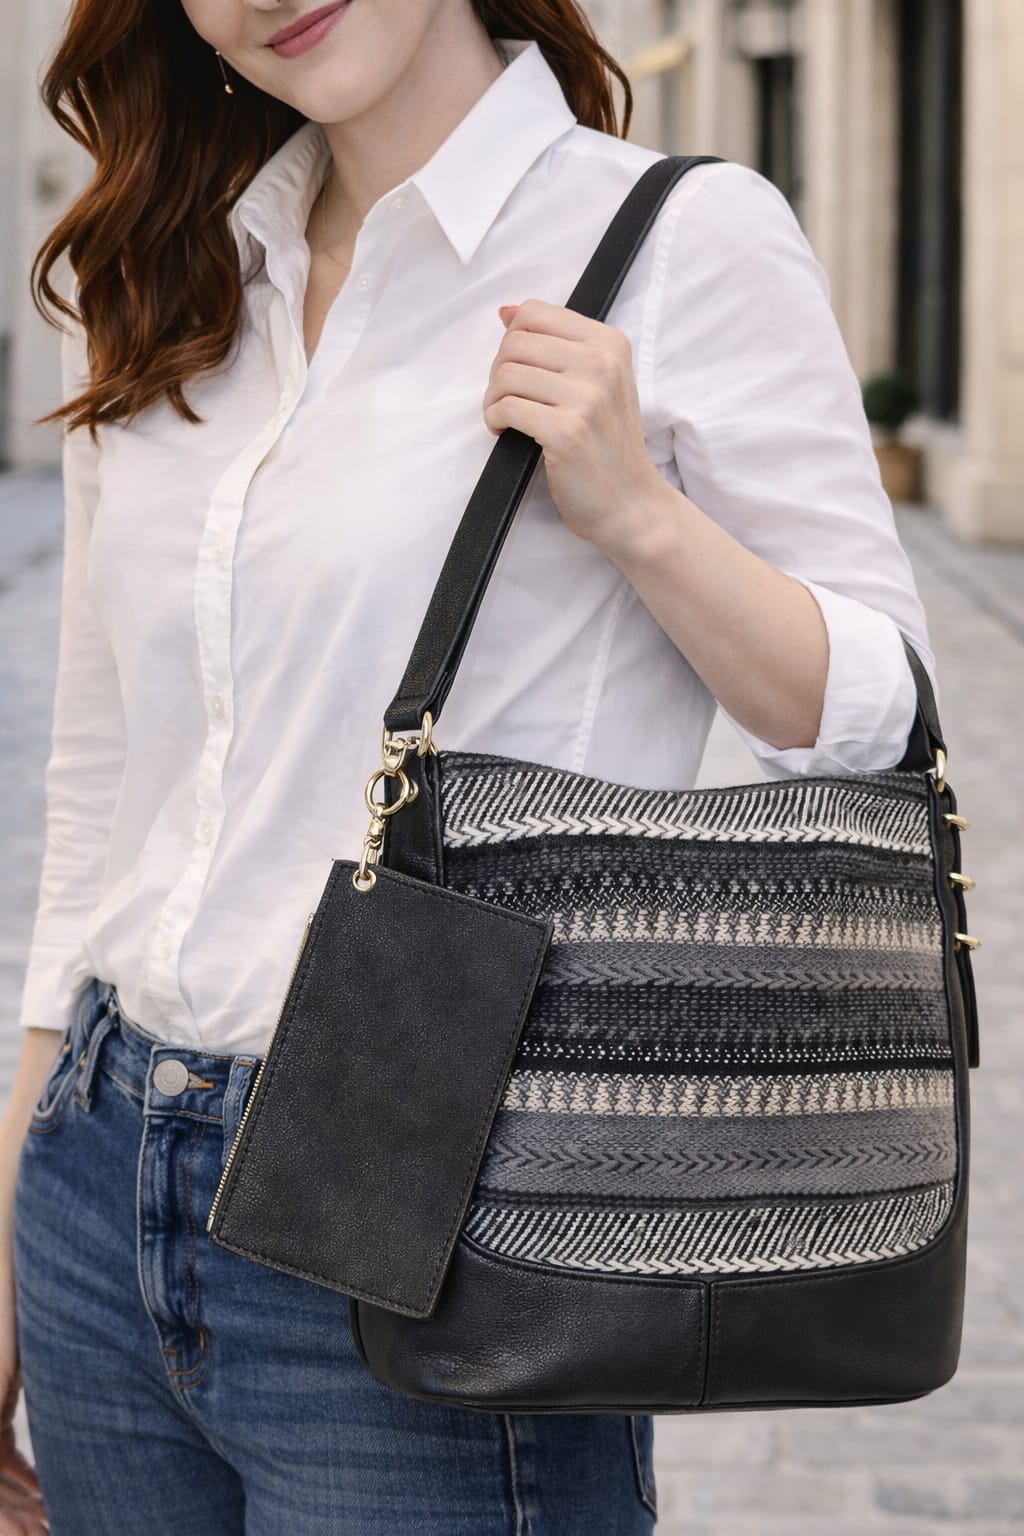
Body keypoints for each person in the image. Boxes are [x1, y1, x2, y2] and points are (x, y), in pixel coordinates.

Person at [0, 1, 938, 1531]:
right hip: (101, 1185)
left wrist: (640, 515)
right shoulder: (164, 269)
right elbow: (106, 785)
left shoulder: (673, 239)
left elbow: (877, 711)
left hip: (439, 1188)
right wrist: (12, 1241)